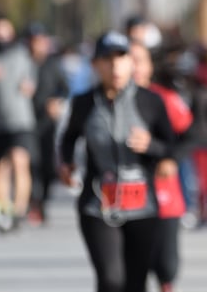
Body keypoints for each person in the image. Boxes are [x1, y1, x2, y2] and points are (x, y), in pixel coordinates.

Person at [57, 31, 175, 292]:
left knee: (135, 283)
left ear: (131, 63)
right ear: (95, 65)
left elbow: (170, 147)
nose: (115, 66)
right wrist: (65, 164)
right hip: (97, 204)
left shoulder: (150, 101)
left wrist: (152, 147)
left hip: (143, 206)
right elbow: (68, 139)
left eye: (121, 58)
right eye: (107, 60)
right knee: (111, 279)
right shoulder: (84, 103)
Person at [128, 40, 192, 292]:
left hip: (162, 192)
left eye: (139, 60)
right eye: (127, 58)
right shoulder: (102, 101)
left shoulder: (164, 98)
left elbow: (190, 134)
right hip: (123, 197)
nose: (133, 66)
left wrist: (169, 158)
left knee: (166, 265)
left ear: (149, 66)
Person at [0, 13, 37, 233]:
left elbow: (31, 82)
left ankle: (19, 211)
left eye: (5, 30)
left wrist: (29, 86)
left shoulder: (22, 55)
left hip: (21, 120)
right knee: (1, 167)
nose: (2, 35)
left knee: (20, 161)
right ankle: (4, 211)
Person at [25, 22, 70, 225]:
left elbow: (65, 88)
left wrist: (57, 102)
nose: (38, 45)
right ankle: (32, 203)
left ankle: (42, 201)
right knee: (29, 163)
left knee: (47, 165)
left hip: (46, 122)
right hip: (24, 121)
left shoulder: (53, 64)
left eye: (41, 41)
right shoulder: (23, 62)